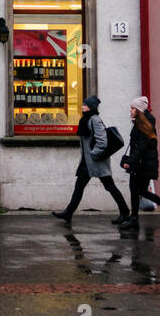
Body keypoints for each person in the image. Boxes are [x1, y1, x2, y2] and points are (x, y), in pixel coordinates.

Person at [52, 95, 130, 225]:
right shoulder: (86, 119)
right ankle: (68, 212)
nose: (82, 106)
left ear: (91, 107)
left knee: (110, 186)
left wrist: (93, 154)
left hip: (96, 161)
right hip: (87, 162)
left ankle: (125, 212)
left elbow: (102, 141)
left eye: (85, 105)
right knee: (79, 186)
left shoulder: (95, 120)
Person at [118, 96, 160, 231]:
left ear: (139, 110)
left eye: (133, 108)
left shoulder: (143, 124)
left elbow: (141, 146)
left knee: (137, 191)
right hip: (143, 163)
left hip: (142, 164)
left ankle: (136, 219)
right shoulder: (142, 122)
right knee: (139, 191)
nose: (130, 110)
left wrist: (131, 161)